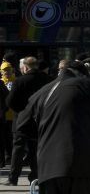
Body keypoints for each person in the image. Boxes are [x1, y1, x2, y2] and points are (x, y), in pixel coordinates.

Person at [18, 60, 90, 194]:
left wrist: (45, 134)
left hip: (49, 169)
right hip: (83, 168)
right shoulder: (86, 86)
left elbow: (22, 125)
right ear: (82, 74)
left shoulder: (43, 92)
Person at [5, 55, 51, 185]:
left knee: (18, 149)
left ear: (25, 67)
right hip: (41, 119)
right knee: (36, 149)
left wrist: (22, 110)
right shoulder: (48, 80)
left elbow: (10, 101)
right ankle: (35, 177)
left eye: (20, 68)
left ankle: (13, 178)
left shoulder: (19, 81)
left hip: (22, 120)